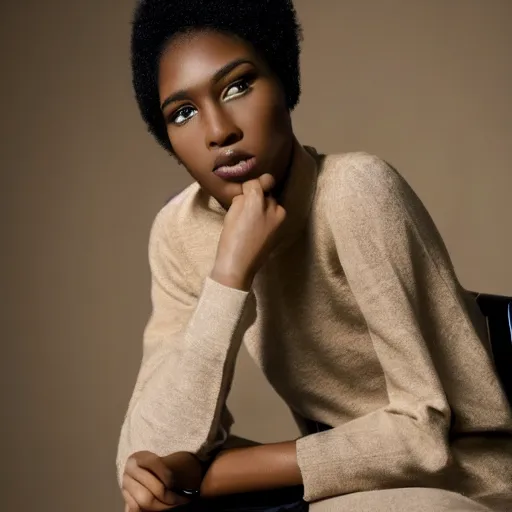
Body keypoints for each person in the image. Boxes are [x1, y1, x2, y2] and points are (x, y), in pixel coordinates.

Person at [117, 1, 512, 510]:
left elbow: (423, 437)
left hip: (463, 482)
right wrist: (229, 273)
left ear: (284, 83)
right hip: (342, 487)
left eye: (237, 86)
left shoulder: (356, 191)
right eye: (183, 113)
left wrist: (216, 477)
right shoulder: (178, 232)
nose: (218, 131)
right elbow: (146, 456)